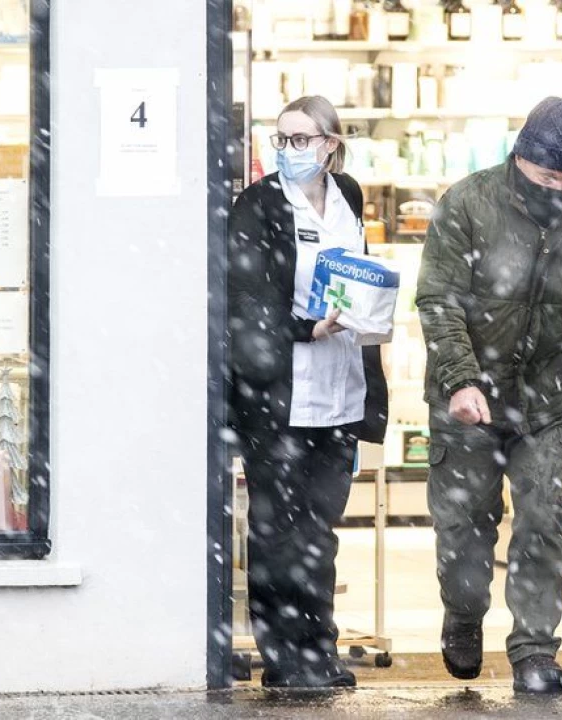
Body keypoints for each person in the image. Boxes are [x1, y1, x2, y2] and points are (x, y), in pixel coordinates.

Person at [416, 96, 562, 694]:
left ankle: (534, 650)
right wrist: (460, 379)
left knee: (542, 520)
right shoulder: (468, 203)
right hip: (468, 400)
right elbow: (439, 300)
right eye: (546, 175)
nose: (558, 187)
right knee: (464, 526)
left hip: (549, 397)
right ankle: (463, 612)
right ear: (520, 157)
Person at [227, 95, 388, 689]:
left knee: (320, 529)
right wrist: (305, 326)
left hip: (341, 389)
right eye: (282, 139)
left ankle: (320, 646)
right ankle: (283, 656)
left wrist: (370, 311)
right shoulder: (258, 204)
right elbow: (244, 301)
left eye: (301, 140)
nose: (289, 150)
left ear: (331, 145)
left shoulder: (350, 196)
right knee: (277, 529)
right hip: (281, 394)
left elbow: (357, 271)